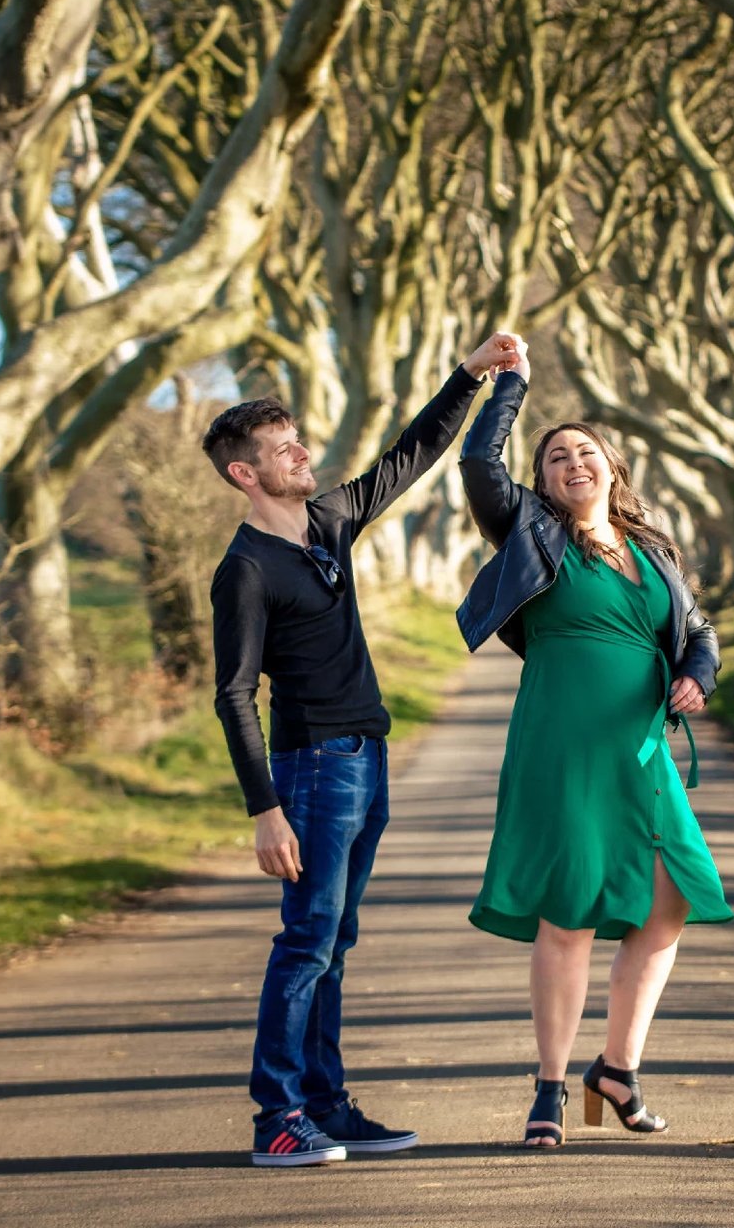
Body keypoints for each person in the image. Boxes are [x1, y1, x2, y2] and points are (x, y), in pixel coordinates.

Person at [206, 333, 521, 1167]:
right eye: (281, 449)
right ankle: (276, 1117)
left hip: (366, 757)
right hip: (310, 770)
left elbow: (407, 457)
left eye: (296, 438)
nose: (301, 453)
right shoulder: (244, 570)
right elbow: (233, 693)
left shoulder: (325, 522)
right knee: (306, 941)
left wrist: (471, 375)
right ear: (246, 473)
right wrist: (264, 809)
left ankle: (326, 1105)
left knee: (336, 942)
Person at [454, 344, 734, 1149]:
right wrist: (511, 383)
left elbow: (700, 632)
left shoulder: (654, 551)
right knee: (569, 915)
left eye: (585, 451)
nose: (572, 461)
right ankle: (548, 1089)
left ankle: (615, 1070)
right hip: (562, 745)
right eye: (554, 457)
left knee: (672, 900)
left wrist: (696, 675)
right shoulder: (534, 535)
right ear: (541, 484)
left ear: (612, 469)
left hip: (641, 748)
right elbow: (479, 461)